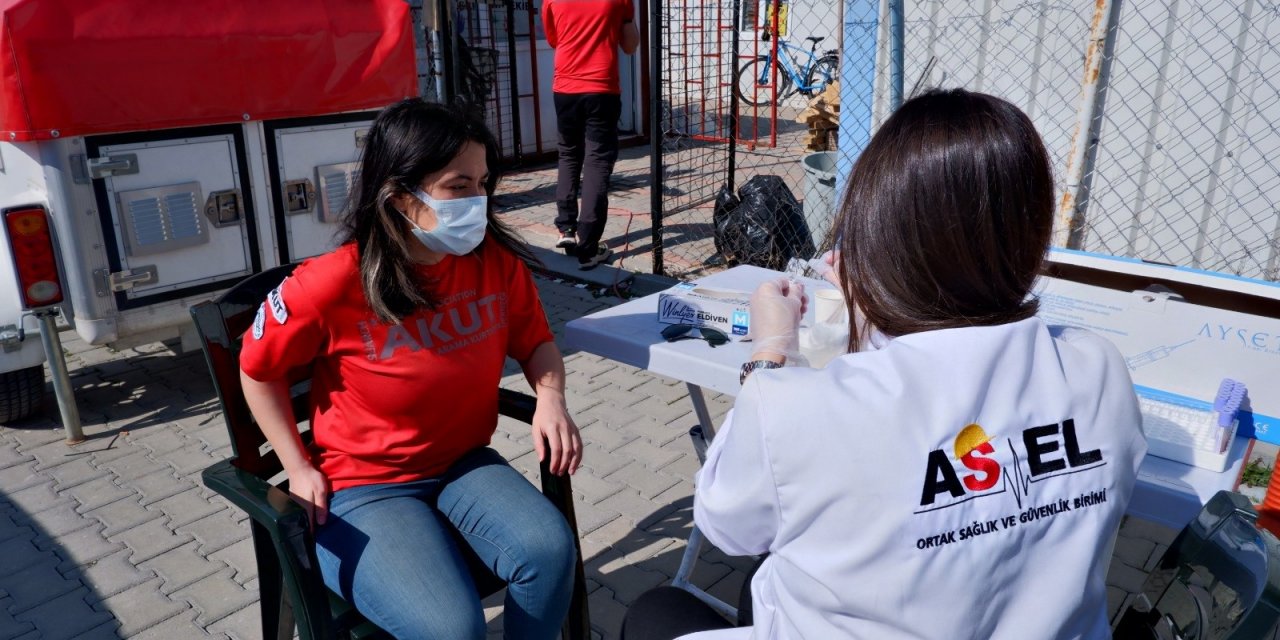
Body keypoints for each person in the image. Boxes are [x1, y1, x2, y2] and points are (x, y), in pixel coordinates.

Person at [621, 88, 1147, 639]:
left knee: (658, 614)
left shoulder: (793, 409)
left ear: (879, 236)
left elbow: (727, 524)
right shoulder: (1098, 369)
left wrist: (770, 349)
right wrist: (880, 318)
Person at [238, 98, 583, 640]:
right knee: (450, 627)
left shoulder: (492, 262)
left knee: (550, 551)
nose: (478, 200)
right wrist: (297, 466)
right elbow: (258, 371)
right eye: (458, 185)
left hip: (464, 464)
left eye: (483, 182)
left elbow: (536, 343)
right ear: (399, 197)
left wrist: (552, 398)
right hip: (367, 487)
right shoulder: (331, 283)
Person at [541, 0, 639, 270]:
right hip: (601, 88)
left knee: (569, 155)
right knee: (597, 161)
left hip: (565, 88)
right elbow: (630, 46)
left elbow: (554, 40)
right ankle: (588, 248)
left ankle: (566, 229)